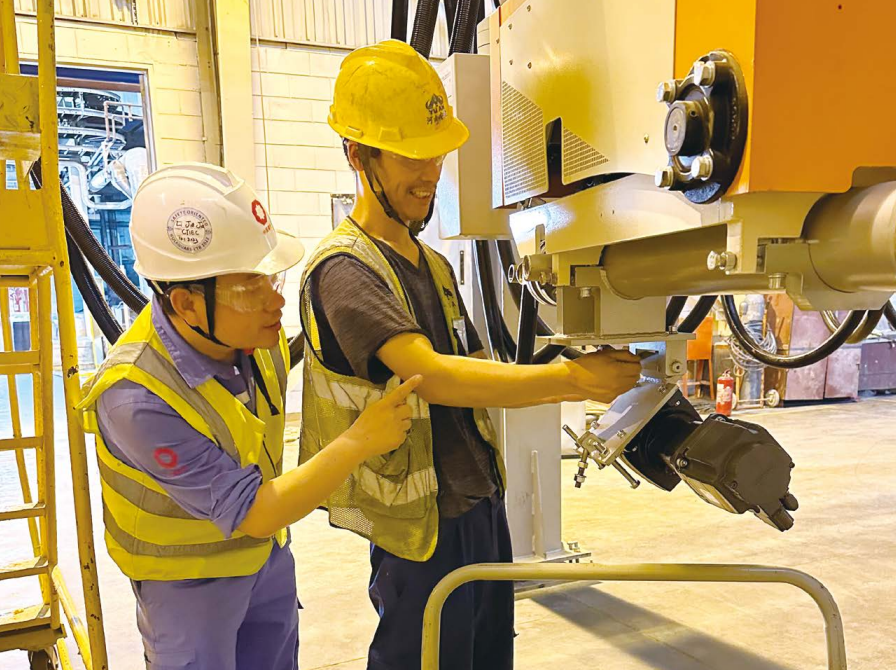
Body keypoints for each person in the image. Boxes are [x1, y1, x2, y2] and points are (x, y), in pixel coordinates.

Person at [299, 40, 642, 670]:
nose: (430, 173)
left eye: (436, 154)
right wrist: (571, 380)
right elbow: (430, 375)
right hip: (419, 528)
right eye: (411, 155)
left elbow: (481, 364)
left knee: (487, 657)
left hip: (479, 502)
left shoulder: (432, 264)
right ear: (357, 155)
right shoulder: (344, 270)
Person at [78, 162, 423, 670]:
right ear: (186, 304)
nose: (275, 300)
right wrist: (358, 441)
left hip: (265, 559)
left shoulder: (255, 343)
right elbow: (256, 511)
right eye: (249, 288)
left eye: (270, 278)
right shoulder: (136, 397)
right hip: (187, 586)